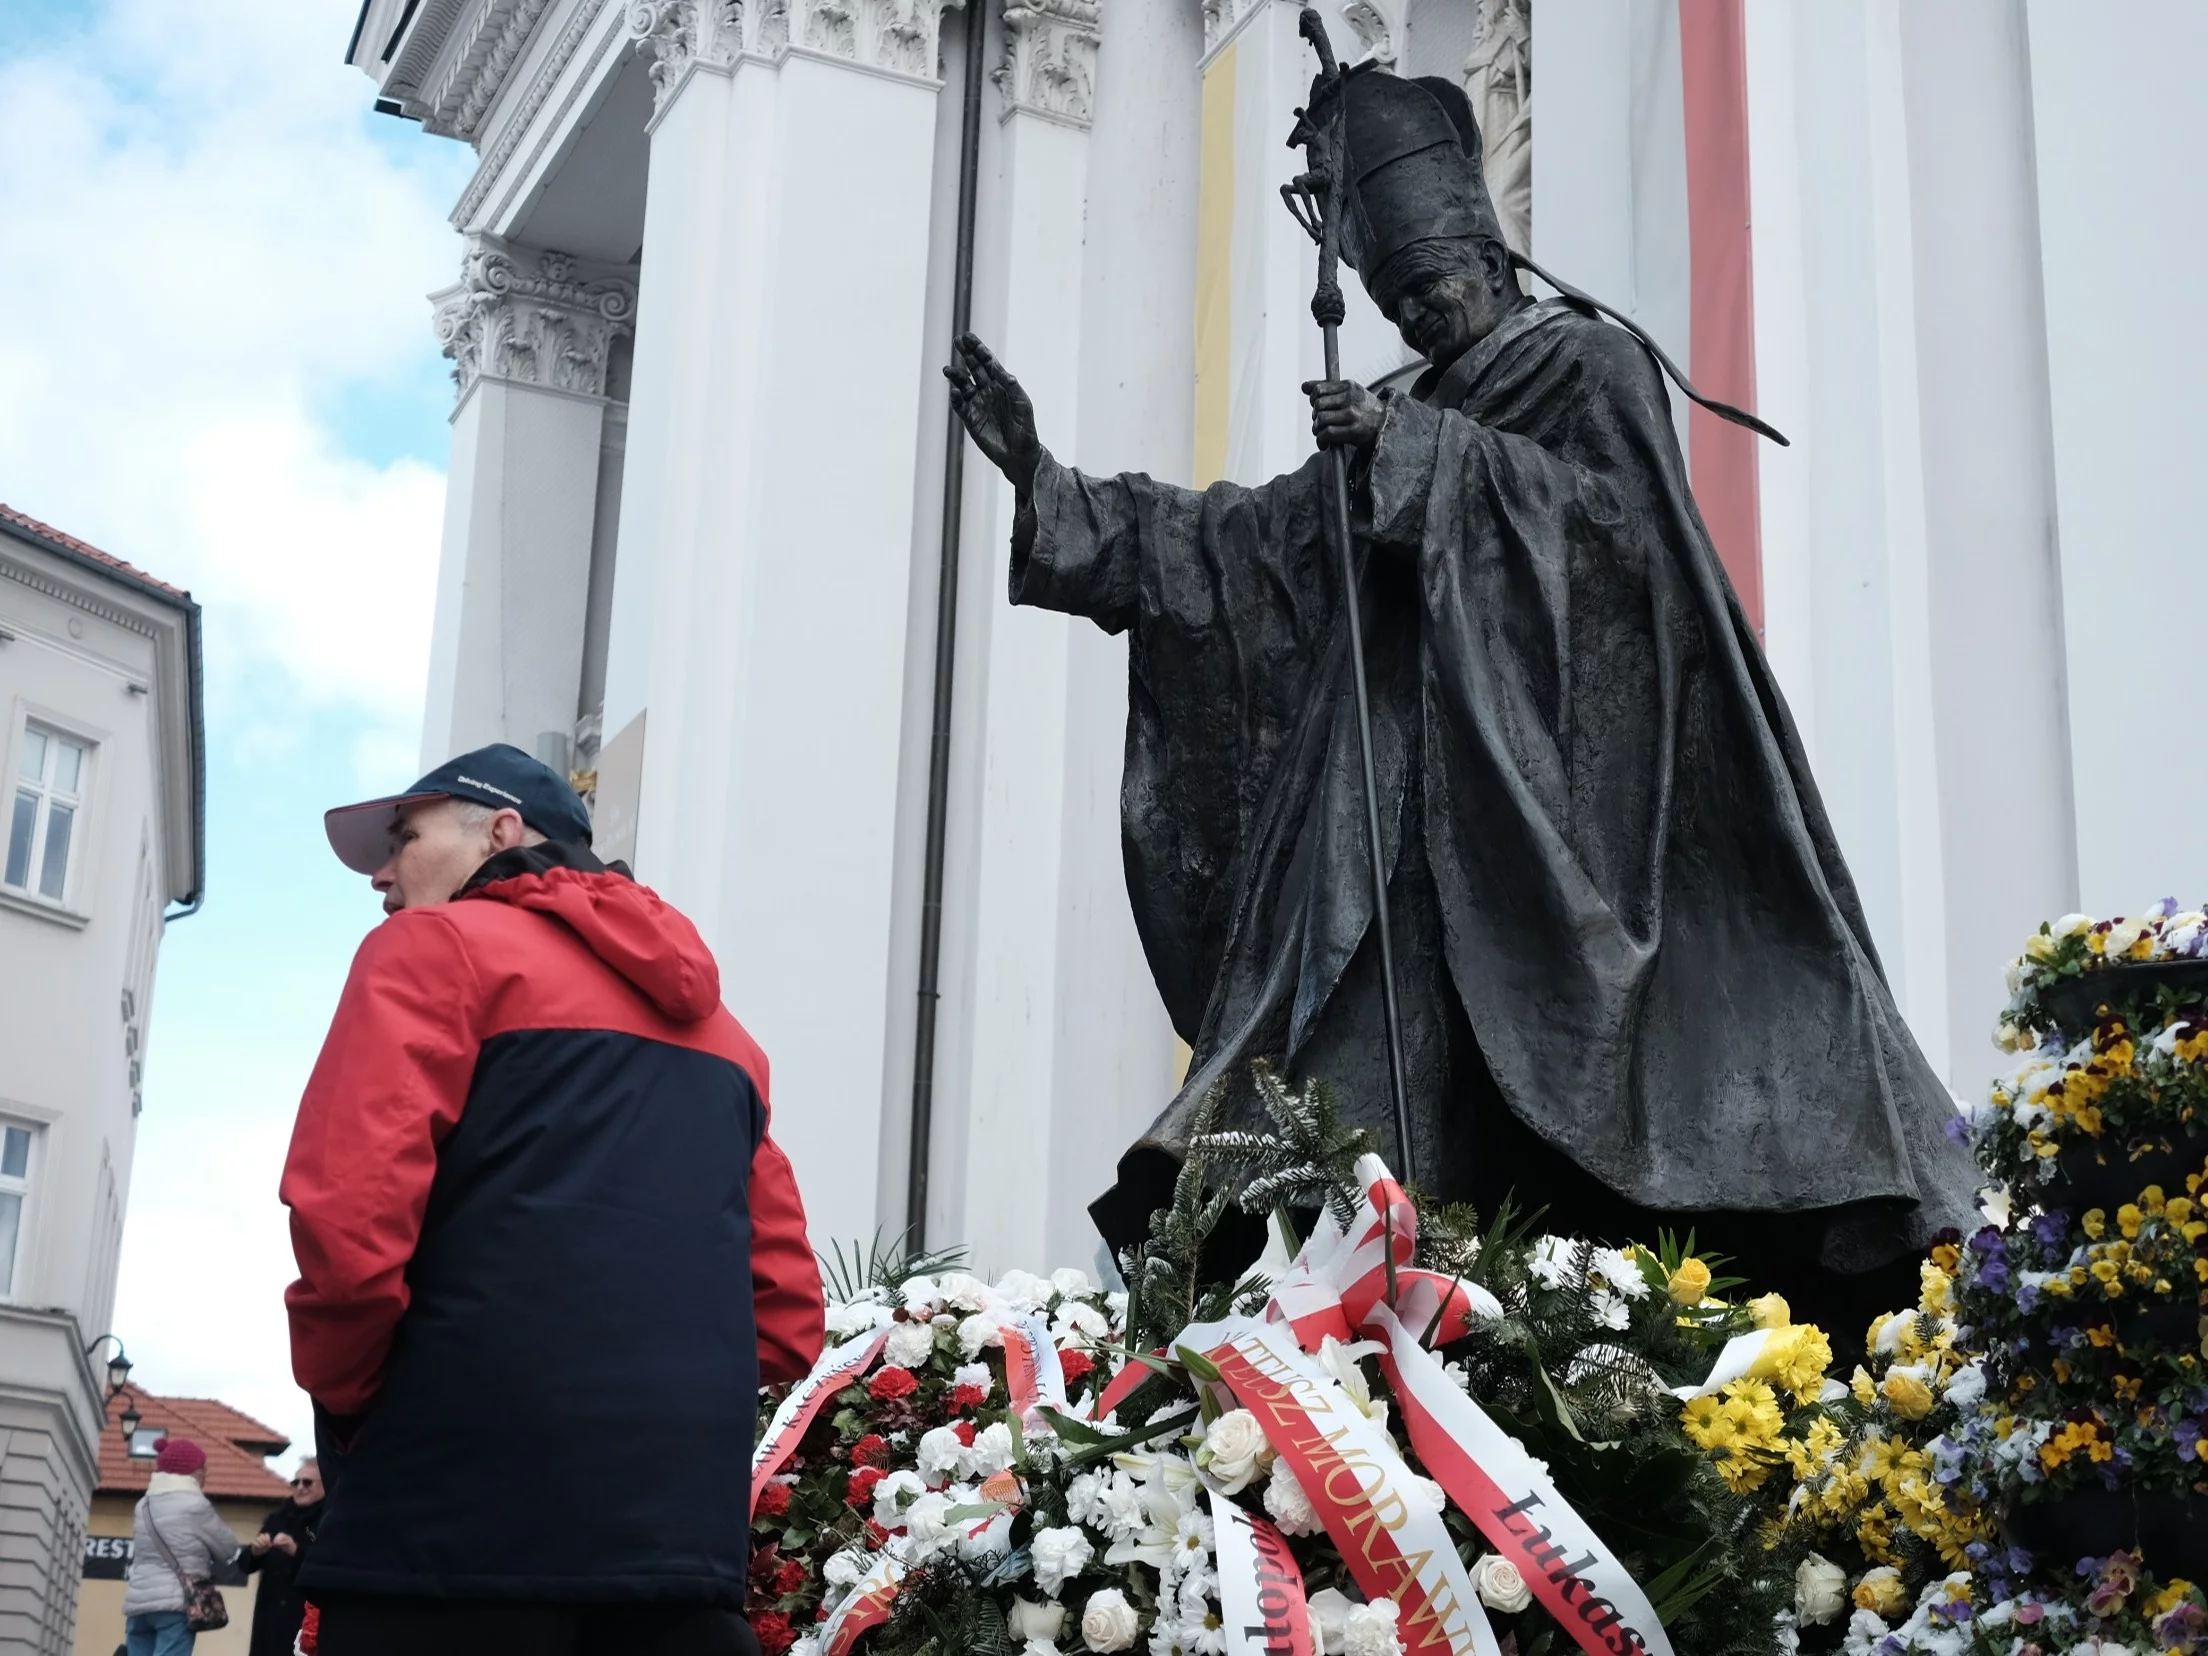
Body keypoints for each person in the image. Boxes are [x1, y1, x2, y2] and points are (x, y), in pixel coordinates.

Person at [944, 61, 1975, 1335]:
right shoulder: (1385, 407)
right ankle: (1333, 1339)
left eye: (1433, 291)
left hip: (1540, 818)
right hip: (1378, 828)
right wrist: (1049, 482)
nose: (1422, 323)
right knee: (1348, 1085)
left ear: (1490, 258)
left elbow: (1623, 549)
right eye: (1398, 304)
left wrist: (1421, 456)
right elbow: (1248, 554)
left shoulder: (1586, 370)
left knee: (1524, 1104)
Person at [280, 743, 825, 1656]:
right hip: (678, 1565)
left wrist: (353, 1403)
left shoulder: (429, 951)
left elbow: (346, 1222)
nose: (380, 872)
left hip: (449, 1536)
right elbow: (786, 1318)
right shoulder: (729, 1041)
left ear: (501, 831)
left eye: (402, 837)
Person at [122, 1437, 244, 1656]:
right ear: (191, 1472)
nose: (206, 1473)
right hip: (175, 1603)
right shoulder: (195, 1505)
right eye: (202, 1467)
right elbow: (227, 1548)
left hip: (138, 1604)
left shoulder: (143, 1505)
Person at [238, 1459, 323, 1656]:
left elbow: (328, 1568)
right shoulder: (277, 1518)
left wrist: (296, 1551)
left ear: (324, 1485)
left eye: (307, 1482)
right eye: (296, 1482)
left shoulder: (329, 1519)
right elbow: (244, 1564)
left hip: (303, 1618)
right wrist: (256, 1552)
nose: (300, 1488)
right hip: (269, 1616)